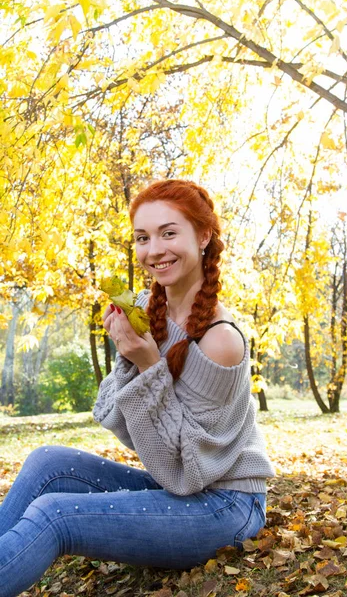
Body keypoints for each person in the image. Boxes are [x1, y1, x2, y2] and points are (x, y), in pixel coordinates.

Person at [0, 179, 275, 597]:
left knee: (55, 516)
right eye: (143, 238)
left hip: (227, 505)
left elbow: (187, 473)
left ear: (203, 236)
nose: (154, 250)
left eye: (169, 233)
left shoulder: (221, 340)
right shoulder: (151, 315)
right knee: (46, 461)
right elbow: (116, 418)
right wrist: (131, 357)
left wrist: (149, 365)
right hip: (181, 486)